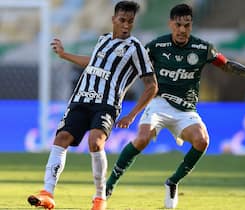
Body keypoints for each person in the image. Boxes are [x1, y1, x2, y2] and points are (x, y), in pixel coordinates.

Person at [105, 3, 245, 209]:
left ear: (191, 26)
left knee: (202, 141)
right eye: (178, 25)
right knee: (142, 138)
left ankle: (173, 182)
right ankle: (109, 184)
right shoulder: (157, 46)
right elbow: (134, 65)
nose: (182, 30)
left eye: (187, 25)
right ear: (170, 24)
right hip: (159, 102)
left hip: (186, 109)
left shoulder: (202, 48)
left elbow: (225, 64)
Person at [27, 1, 158, 210]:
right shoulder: (103, 39)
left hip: (106, 104)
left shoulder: (136, 49)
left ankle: (99, 198)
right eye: (122, 20)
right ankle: (47, 193)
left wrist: (132, 115)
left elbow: (152, 86)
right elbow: (93, 62)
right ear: (113, 19)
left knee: (96, 142)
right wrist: (64, 54)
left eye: (130, 22)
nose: (126, 25)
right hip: (81, 98)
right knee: (61, 138)